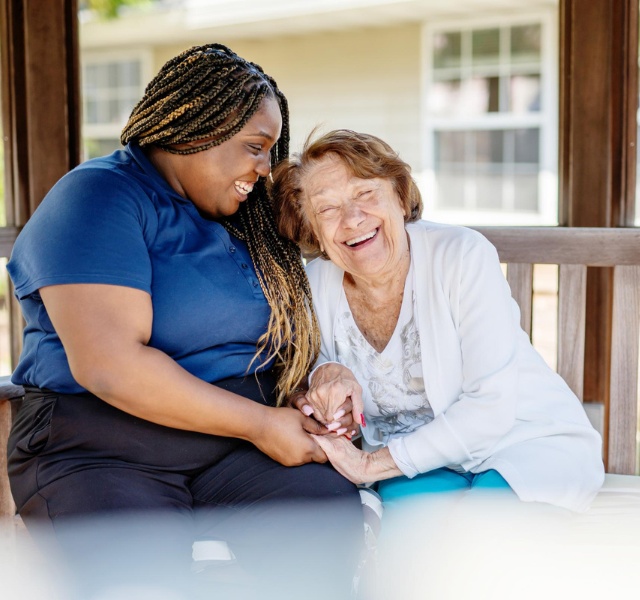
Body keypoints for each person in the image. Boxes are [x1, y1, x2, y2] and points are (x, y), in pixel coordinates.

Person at [6, 46, 363, 600]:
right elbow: (110, 366)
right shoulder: (99, 196)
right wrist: (261, 425)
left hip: (230, 449)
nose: (264, 168)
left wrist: (298, 396)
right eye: (254, 148)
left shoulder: (244, 219)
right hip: (102, 449)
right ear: (195, 127)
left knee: (320, 521)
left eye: (269, 151)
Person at [271, 128, 605, 512]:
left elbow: (490, 408)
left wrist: (369, 465)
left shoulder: (461, 256)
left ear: (399, 196)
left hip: (525, 443)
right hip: (423, 466)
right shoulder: (317, 284)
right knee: (414, 545)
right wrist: (325, 376)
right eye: (327, 209)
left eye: (365, 193)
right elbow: (312, 368)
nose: (352, 219)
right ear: (311, 227)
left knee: (477, 537)